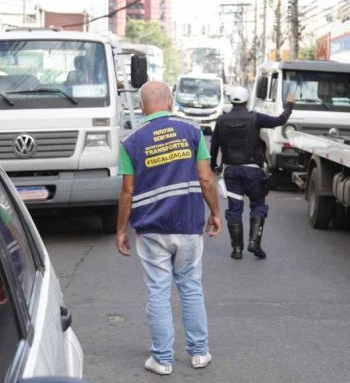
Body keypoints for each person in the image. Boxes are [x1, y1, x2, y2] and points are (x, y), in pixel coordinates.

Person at [116, 81, 222, 376]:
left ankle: (162, 360)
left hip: (151, 228)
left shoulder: (131, 140)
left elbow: (127, 191)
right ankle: (199, 353)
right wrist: (215, 212)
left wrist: (121, 230)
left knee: (158, 292)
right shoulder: (192, 131)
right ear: (171, 102)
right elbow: (205, 179)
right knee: (190, 287)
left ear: (141, 106)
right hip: (188, 224)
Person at [209, 86, 295, 260]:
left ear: (231, 100)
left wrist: (214, 166)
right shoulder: (255, 117)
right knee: (257, 205)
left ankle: (237, 250)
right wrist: (289, 106)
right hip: (253, 172)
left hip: (231, 171)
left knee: (234, 209)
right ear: (246, 101)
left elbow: (214, 145)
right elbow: (279, 120)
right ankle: (254, 242)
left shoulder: (221, 120)